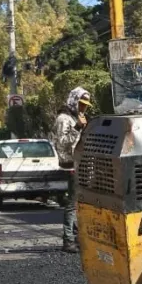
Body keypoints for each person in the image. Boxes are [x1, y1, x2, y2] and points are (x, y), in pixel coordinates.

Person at [53, 87, 91, 253]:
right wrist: (77, 127)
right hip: (70, 165)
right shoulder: (64, 119)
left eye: (86, 105)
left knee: (80, 203)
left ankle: (77, 237)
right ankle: (68, 240)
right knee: (72, 204)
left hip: (81, 164)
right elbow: (62, 142)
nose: (83, 108)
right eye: (81, 104)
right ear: (74, 100)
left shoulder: (76, 117)